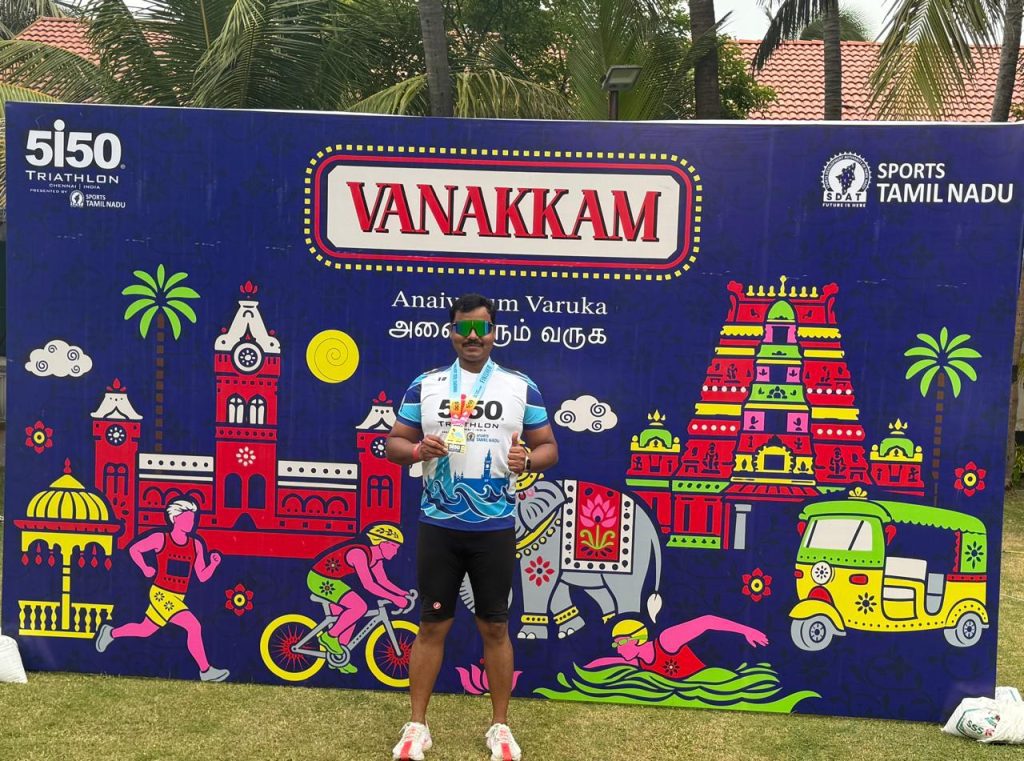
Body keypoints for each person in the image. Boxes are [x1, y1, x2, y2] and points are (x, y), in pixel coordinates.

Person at [386, 293, 558, 761]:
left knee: (495, 628)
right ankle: (417, 726)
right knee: (431, 626)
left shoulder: (520, 386)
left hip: (494, 527)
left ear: (495, 333)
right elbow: (393, 443)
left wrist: (528, 460)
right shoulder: (426, 384)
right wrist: (417, 450)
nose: (473, 337)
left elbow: (548, 447)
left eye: (482, 328)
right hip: (439, 525)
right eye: (464, 328)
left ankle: (500, 726)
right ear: (451, 333)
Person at [95, 498, 229, 682]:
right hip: (161, 594)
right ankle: (205, 670)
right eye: (187, 518)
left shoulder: (196, 545)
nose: (192, 522)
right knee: (193, 626)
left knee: (145, 629)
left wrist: (213, 564)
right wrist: (145, 568)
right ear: (175, 518)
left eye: (193, 519)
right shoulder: (161, 538)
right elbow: (135, 549)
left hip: (177, 597)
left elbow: (202, 576)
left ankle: (110, 633)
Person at [307, 523, 411, 674]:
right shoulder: (359, 553)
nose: (396, 552)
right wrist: (394, 599)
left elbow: (383, 581)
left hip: (333, 580)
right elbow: (369, 584)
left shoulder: (376, 559)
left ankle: (338, 659)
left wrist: (402, 593)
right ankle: (329, 637)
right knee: (359, 607)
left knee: (348, 619)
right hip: (320, 579)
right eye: (394, 546)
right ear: (382, 543)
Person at [587, 616, 769, 681]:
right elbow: (608, 661)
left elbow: (706, 621)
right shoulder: (639, 663)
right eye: (616, 644)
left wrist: (746, 630)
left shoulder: (667, 641)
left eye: (620, 643)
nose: (618, 649)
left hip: (714, 678)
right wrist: (582, 671)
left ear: (637, 639)